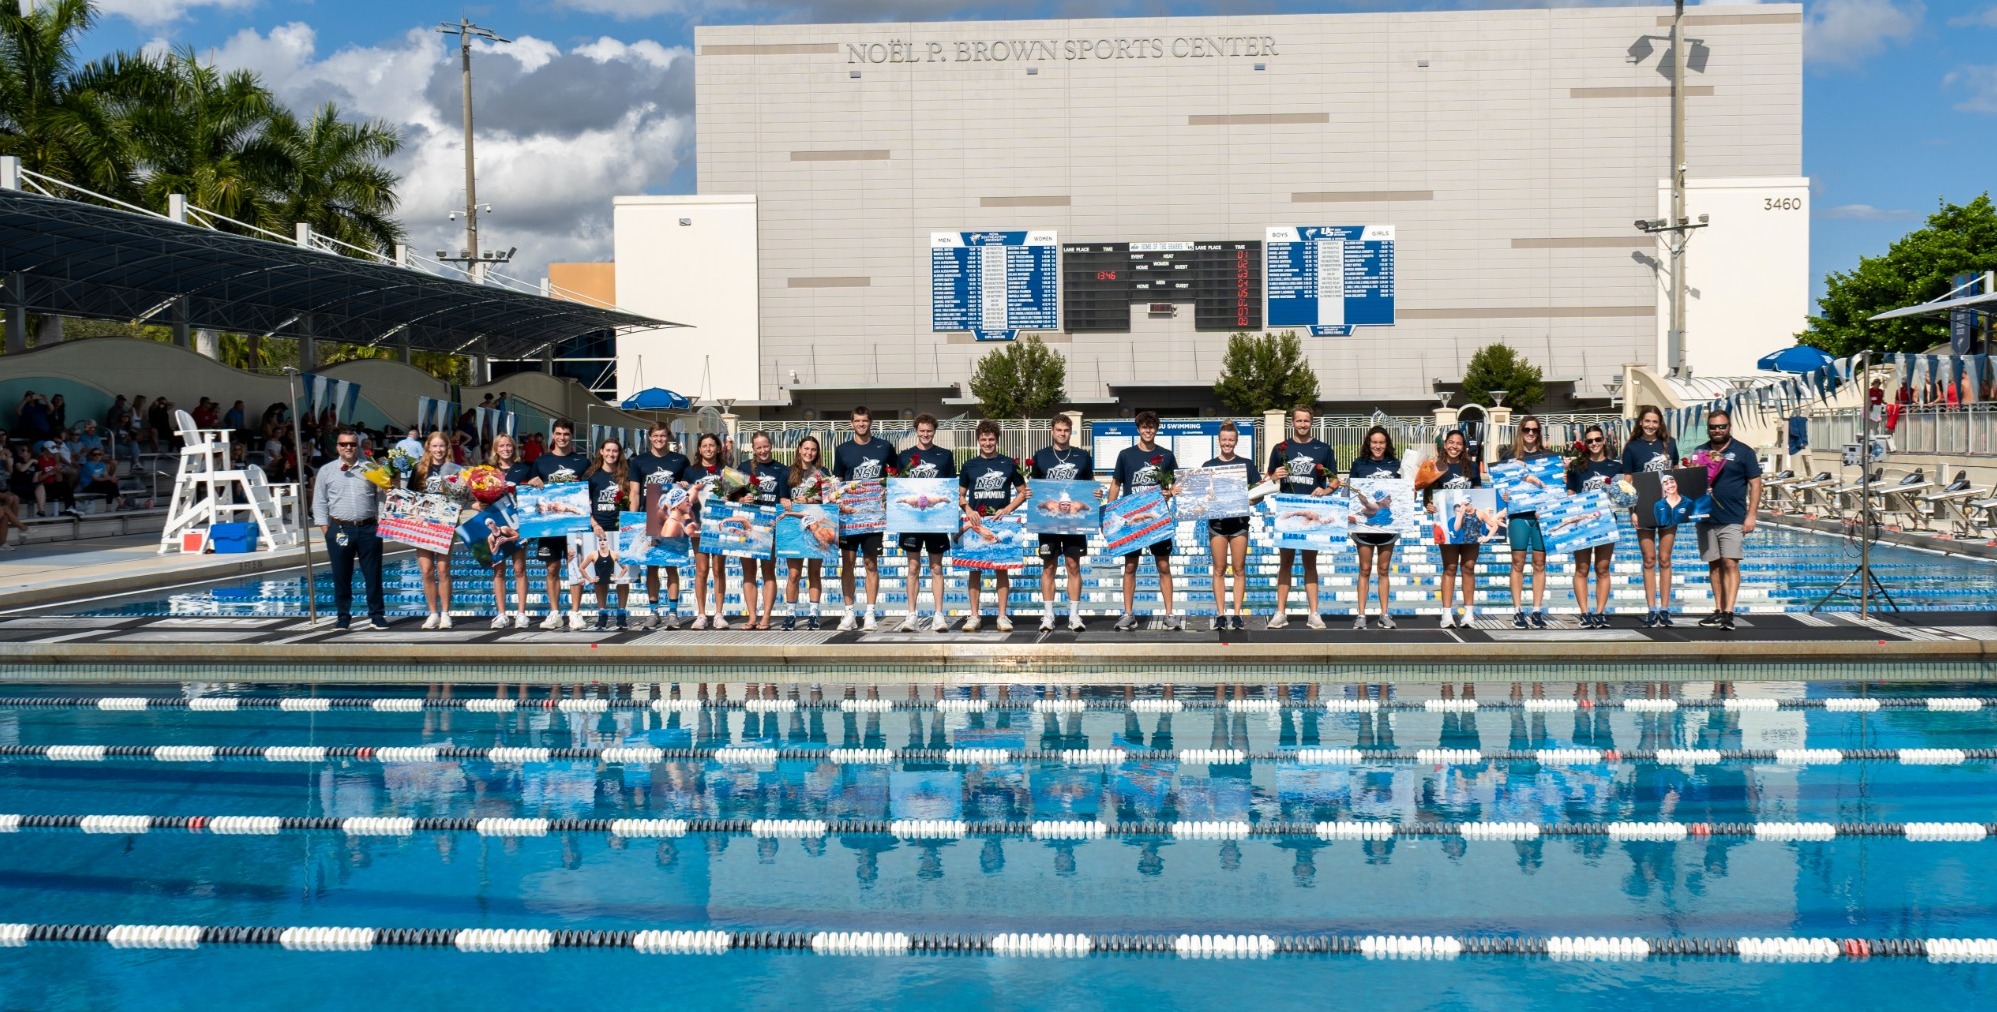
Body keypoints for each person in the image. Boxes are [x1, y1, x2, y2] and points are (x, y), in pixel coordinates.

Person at [1265, 405, 1339, 629]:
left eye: (1306, 421)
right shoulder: (1281, 448)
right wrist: (1274, 475)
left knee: (1310, 563)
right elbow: (1268, 477)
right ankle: (1280, 613)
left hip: (1311, 512)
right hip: (1288, 512)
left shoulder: (1323, 449)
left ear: (1312, 422)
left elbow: (1334, 480)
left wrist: (1326, 491)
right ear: (1292, 423)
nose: (1303, 425)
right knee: (1285, 562)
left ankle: (1314, 613)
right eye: (1299, 421)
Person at [1106, 411, 1181, 631]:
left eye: (1152, 427)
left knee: (1164, 565)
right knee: (1130, 566)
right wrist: (1111, 512)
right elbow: (1116, 484)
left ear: (1156, 429)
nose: (1148, 431)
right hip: (1133, 520)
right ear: (1138, 429)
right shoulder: (1126, 455)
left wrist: (1169, 492)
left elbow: (1175, 486)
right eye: (1144, 427)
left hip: (1157, 520)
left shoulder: (1166, 456)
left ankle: (1169, 614)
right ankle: (1128, 614)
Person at [311, 426, 388, 630]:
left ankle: (377, 615)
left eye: (352, 444)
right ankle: (343, 616)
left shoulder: (370, 468)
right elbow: (319, 501)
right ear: (337, 447)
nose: (348, 447)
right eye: (344, 444)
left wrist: (381, 522)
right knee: (341, 574)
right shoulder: (327, 471)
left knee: (373, 574)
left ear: (357, 446)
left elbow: (380, 497)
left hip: (368, 528)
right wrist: (325, 528)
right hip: (339, 529)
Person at [1027, 414, 1098, 632]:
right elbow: (1035, 487)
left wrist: (1094, 492)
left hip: (1074, 523)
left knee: (1073, 565)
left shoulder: (1082, 456)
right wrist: (1030, 492)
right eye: (1058, 430)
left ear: (1070, 432)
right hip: (1049, 523)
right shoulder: (1041, 456)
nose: (1062, 434)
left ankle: (1074, 616)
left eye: (1066, 430)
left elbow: (1089, 484)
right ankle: (1048, 615)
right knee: (1048, 566)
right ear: (1052, 431)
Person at [1693, 409, 1762, 632]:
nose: (1718, 430)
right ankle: (1719, 609)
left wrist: (1751, 515)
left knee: (1730, 562)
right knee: (1713, 564)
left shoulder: (1743, 452)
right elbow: (1689, 482)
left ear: (1729, 427)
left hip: (1733, 516)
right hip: (1706, 517)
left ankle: (1729, 613)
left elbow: (1756, 483)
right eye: (1713, 427)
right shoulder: (1700, 452)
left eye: (1722, 426)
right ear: (1708, 429)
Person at [957, 419, 1027, 632]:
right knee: (974, 570)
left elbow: (1023, 491)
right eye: (984, 439)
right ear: (978, 441)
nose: (987, 443)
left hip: (1000, 522)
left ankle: (1002, 616)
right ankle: (974, 616)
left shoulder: (1008, 464)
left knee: (1001, 570)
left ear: (997, 440)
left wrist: (1008, 509)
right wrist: (968, 510)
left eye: (991, 439)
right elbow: (959, 495)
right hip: (977, 523)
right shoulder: (969, 465)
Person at [832, 406, 897, 632]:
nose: (861, 424)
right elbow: (837, 482)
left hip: (874, 517)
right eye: (857, 421)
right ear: (852, 423)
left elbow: (895, 477)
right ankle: (849, 612)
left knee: (871, 563)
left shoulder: (884, 447)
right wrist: (836, 499)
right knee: (847, 563)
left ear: (871, 422)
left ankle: (869, 613)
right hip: (849, 517)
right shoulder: (842, 450)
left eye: (865, 421)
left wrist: (888, 492)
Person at [893, 414, 957, 632]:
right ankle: (911, 615)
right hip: (912, 519)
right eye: (922, 431)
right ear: (916, 430)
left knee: (936, 567)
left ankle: (939, 615)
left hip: (936, 518)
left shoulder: (945, 456)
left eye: (929, 431)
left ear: (934, 431)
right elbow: (898, 488)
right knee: (913, 567)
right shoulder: (904, 456)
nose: (925, 434)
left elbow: (950, 489)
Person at [1621, 405, 1681, 627]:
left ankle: (1665, 609)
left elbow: (1676, 474)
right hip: (1644, 507)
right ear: (1640, 422)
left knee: (1665, 559)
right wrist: (1632, 511)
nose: (1650, 426)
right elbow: (1627, 482)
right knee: (1649, 560)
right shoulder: (1632, 448)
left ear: (1660, 424)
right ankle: (1651, 608)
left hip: (1668, 506)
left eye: (1655, 422)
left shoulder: (1670, 444)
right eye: (1647, 421)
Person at [627, 422, 691, 630]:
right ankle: (653, 612)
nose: (659, 439)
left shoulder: (680, 461)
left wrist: (685, 486)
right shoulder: (639, 461)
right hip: (648, 518)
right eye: (656, 436)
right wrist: (633, 518)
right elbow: (635, 493)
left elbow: (687, 492)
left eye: (663, 435)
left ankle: (672, 612)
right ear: (650, 437)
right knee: (651, 567)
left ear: (669, 437)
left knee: (671, 565)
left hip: (669, 519)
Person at [1499, 414, 1560, 629]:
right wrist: (1504, 496)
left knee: (1539, 563)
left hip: (1541, 517)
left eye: (1535, 430)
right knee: (1517, 562)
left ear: (1539, 432)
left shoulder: (1549, 457)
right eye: (1527, 429)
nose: (1531, 434)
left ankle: (1536, 610)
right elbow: (1502, 488)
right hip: (1518, 516)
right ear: (1521, 431)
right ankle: (1517, 610)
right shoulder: (1508, 456)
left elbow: (1553, 488)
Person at [529, 419, 590, 630]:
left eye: (566, 434)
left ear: (571, 436)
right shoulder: (541, 462)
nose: (562, 437)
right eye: (558, 433)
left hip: (575, 525)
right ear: (552, 435)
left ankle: (575, 613)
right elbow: (531, 494)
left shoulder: (582, 463)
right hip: (550, 527)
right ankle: (554, 613)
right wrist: (532, 483)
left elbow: (590, 492)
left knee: (575, 569)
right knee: (552, 568)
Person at [1421, 429, 1483, 628]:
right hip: (1446, 521)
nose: (1454, 446)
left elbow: (1480, 494)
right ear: (1445, 444)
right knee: (1449, 567)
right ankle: (1447, 614)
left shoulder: (1472, 467)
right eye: (1451, 442)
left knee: (1469, 567)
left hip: (1471, 523)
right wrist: (1428, 505)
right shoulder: (1436, 467)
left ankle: (1469, 614)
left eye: (1458, 443)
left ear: (1463, 447)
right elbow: (1427, 496)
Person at [1202, 420, 1260, 631]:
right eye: (1224, 440)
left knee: (1238, 569)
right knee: (1218, 569)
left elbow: (1257, 496)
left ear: (1236, 441)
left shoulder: (1247, 464)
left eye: (1231, 440)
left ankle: (1236, 614)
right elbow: (1201, 498)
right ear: (1219, 441)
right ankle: (1220, 614)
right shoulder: (1208, 466)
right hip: (1217, 525)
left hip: (1239, 525)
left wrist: (1244, 500)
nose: (1228, 443)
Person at [1564, 424, 1622, 629]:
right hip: (1583, 523)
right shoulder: (1577, 467)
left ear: (1604, 440)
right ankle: (1584, 613)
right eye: (1590, 441)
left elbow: (1623, 495)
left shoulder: (1616, 467)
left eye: (1598, 440)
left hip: (1607, 521)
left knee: (1602, 568)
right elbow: (1570, 493)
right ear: (1585, 444)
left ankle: (1599, 612)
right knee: (1582, 567)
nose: (1594, 444)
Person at [404, 431, 463, 628]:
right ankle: (433, 613)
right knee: (427, 570)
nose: (438, 450)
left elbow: (461, 498)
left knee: (443, 569)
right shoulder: (419, 469)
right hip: (422, 525)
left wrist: (458, 507)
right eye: (435, 446)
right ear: (428, 447)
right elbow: (411, 498)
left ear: (447, 448)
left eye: (442, 446)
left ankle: (446, 613)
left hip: (445, 525)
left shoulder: (455, 470)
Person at [1348, 425, 1402, 630]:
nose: (1378, 446)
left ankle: (1384, 614)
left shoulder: (1396, 465)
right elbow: (1353, 492)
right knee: (1364, 569)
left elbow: (1403, 492)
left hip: (1388, 526)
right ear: (1368, 444)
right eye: (1374, 442)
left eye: (1381, 442)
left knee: (1383, 570)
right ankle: (1361, 615)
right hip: (1365, 527)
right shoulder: (1359, 464)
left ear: (1386, 444)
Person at [577, 437, 634, 629]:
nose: (611, 454)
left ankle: (621, 613)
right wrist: (593, 524)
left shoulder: (625, 475)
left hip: (620, 528)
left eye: (615, 451)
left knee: (622, 575)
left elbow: (633, 499)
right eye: (607, 450)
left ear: (620, 454)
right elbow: (583, 504)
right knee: (601, 575)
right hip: (598, 528)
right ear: (601, 451)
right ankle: (602, 613)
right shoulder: (592, 475)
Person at [780, 435, 833, 630]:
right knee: (793, 574)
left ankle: (813, 615)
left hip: (816, 524)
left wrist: (810, 501)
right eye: (806, 449)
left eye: (813, 450)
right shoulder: (787, 473)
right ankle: (791, 614)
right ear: (799, 450)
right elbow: (782, 498)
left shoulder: (823, 473)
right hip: (795, 528)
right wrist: (785, 500)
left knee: (814, 573)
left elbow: (830, 499)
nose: (809, 453)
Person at [485, 433, 536, 629]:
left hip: (516, 523)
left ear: (513, 448)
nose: (506, 449)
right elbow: (479, 499)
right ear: (496, 449)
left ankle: (521, 613)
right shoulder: (487, 472)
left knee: (519, 569)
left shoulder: (523, 469)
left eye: (509, 446)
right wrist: (477, 505)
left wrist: (535, 484)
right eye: (502, 446)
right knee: (498, 570)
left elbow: (534, 492)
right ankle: (501, 614)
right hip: (495, 522)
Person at [687, 433, 733, 630]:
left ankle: (719, 614)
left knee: (718, 569)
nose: (708, 449)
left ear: (718, 448)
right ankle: (701, 614)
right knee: (702, 570)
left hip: (720, 524)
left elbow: (736, 497)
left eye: (711, 445)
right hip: (699, 524)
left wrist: (731, 495)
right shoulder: (690, 471)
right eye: (704, 446)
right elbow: (685, 500)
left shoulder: (727, 471)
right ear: (699, 449)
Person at [741, 431, 787, 630]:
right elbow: (731, 497)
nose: (763, 451)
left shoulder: (782, 470)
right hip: (748, 525)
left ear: (771, 445)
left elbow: (785, 499)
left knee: (769, 572)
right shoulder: (742, 468)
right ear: (753, 449)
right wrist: (742, 499)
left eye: (765, 446)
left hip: (770, 526)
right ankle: (752, 617)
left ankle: (766, 616)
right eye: (758, 447)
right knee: (748, 572)